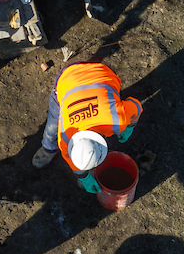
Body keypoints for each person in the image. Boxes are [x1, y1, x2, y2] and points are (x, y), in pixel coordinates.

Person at [32, 59, 142, 193]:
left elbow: (136, 106)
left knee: (54, 122)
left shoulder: (117, 121)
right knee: (53, 124)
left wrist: (129, 125)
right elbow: (135, 106)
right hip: (69, 79)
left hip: (99, 73)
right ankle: (48, 149)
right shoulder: (64, 137)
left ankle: (48, 149)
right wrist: (85, 178)